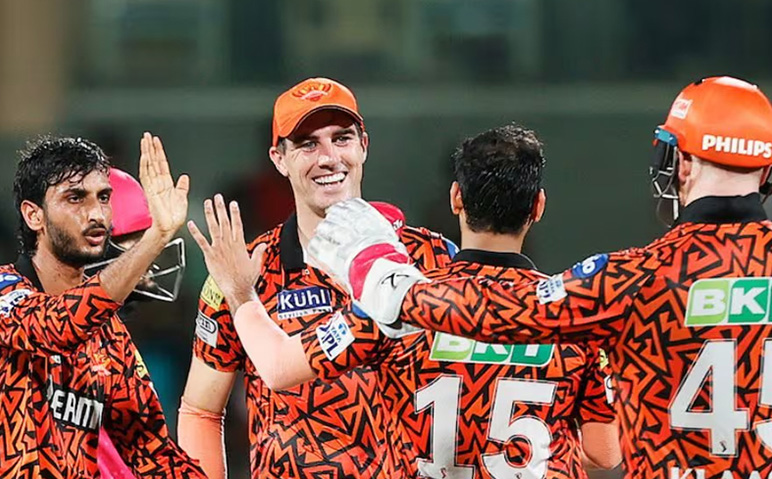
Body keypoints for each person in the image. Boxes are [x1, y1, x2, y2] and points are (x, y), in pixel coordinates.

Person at [305, 76, 772, 479]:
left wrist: (382, 275)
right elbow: (604, 450)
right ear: (765, 167)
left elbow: (502, 311)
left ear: (682, 163)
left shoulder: (631, 279)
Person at [188, 124, 622, 478]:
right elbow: (607, 453)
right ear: (538, 207)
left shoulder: (403, 303)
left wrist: (240, 293)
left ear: (455, 199)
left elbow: (279, 369)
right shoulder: (575, 315)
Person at [178, 77, 455, 479]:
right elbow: (200, 410)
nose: (328, 158)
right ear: (279, 159)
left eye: (341, 139)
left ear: (364, 145)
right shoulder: (244, 271)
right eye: (308, 144)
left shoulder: (433, 258)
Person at [0, 134, 204, 478]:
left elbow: (150, 450)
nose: (96, 213)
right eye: (75, 198)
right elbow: (56, 328)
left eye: (104, 197)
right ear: (34, 215)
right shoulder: (5, 291)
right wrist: (155, 238)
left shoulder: (110, 334)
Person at [92, 168, 187, 479]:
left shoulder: (114, 335)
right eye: (137, 247)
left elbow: (150, 451)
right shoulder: (36, 318)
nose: (151, 264)